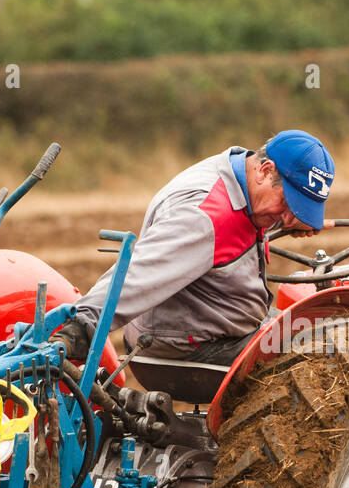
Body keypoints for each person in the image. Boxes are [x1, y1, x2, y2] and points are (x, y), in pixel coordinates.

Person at [51, 129, 334, 368]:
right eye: (288, 204)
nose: (288, 215)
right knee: (323, 350)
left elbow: (232, 234)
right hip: (186, 347)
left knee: (312, 331)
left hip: (205, 330)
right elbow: (141, 272)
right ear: (265, 170)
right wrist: (82, 325)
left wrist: (289, 221)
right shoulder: (205, 216)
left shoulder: (239, 177)